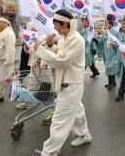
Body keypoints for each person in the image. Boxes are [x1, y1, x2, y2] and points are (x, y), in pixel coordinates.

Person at [33, 9, 91, 155]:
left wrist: (42, 52)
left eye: (57, 26)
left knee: (59, 121)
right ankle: (84, 135)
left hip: (71, 85)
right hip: (66, 83)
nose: (55, 29)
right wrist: (51, 47)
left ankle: (49, 152)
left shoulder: (77, 39)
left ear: (66, 24)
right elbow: (59, 54)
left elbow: (62, 61)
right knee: (77, 112)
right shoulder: (65, 38)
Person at [94, 14, 120, 90]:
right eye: (106, 23)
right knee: (108, 68)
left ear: (111, 24)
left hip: (113, 53)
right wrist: (96, 41)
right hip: (106, 53)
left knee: (110, 68)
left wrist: (114, 45)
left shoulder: (116, 32)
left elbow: (118, 43)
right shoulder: (105, 32)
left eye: (107, 23)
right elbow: (101, 41)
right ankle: (112, 82)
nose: (106, 24)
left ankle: (111, 83)